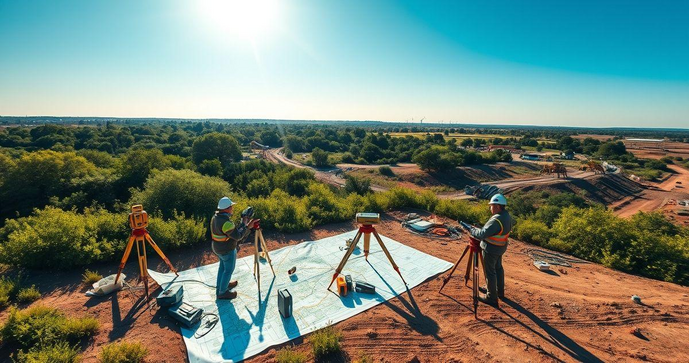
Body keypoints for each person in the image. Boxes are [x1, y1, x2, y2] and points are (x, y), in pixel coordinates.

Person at [468, 193, 513, 306]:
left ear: (497, 206)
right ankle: (499, 291)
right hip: (500, 248)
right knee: (498, 268)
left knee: (490, 272)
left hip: (491, 249)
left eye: (492, 205)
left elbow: (482, 234)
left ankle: (491, 297)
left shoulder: (496, 219)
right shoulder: (507, 216)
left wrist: (472, 230)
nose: (490, 207)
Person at [210, 197, 254, 300]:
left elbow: (233, 232)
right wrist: (248, 227)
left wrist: (243, 222)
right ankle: (222, 292)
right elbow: (238, 236)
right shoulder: (226, 223)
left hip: (217, 248)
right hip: (226, 250)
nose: (232, 209)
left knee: (222, 268)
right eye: (231, 207)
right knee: (228, 270)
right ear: (227, 208)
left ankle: (222, 285)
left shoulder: (215, 217)